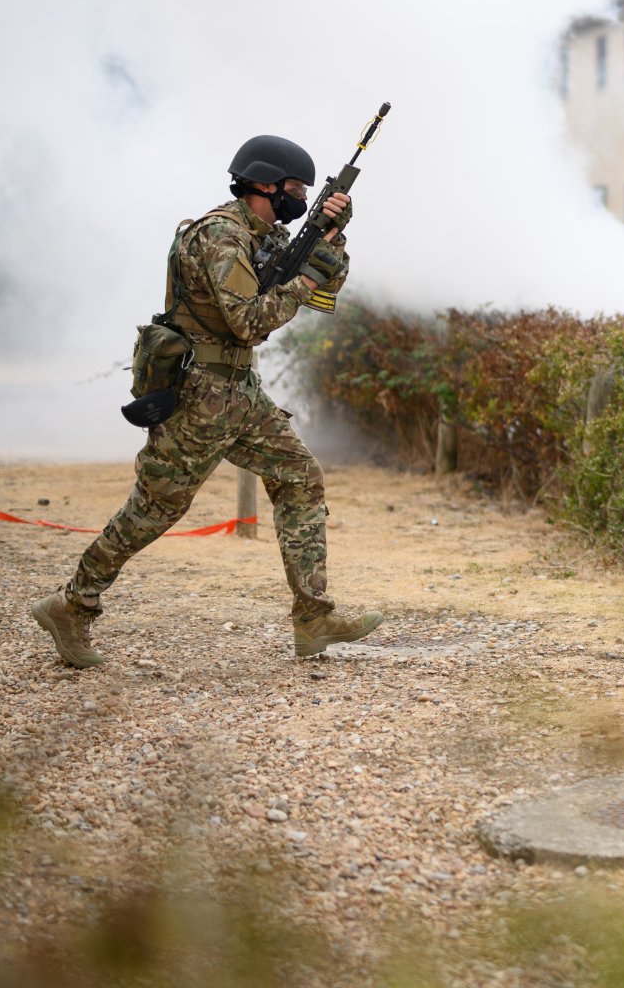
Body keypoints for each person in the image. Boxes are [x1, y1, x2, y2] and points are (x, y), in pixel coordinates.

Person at [29, 135, 384, 668]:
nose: (299, 199)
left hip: (239, 392)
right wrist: (309, 272)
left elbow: (322, 291)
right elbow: (250, 320)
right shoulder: (221, 236)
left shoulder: (263, 237)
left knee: (299, 477)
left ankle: (313, 619)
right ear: (265, 184)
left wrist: (330, 240)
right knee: (154, 509)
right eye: (294, 189)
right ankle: (72, 605)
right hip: (202, 398)